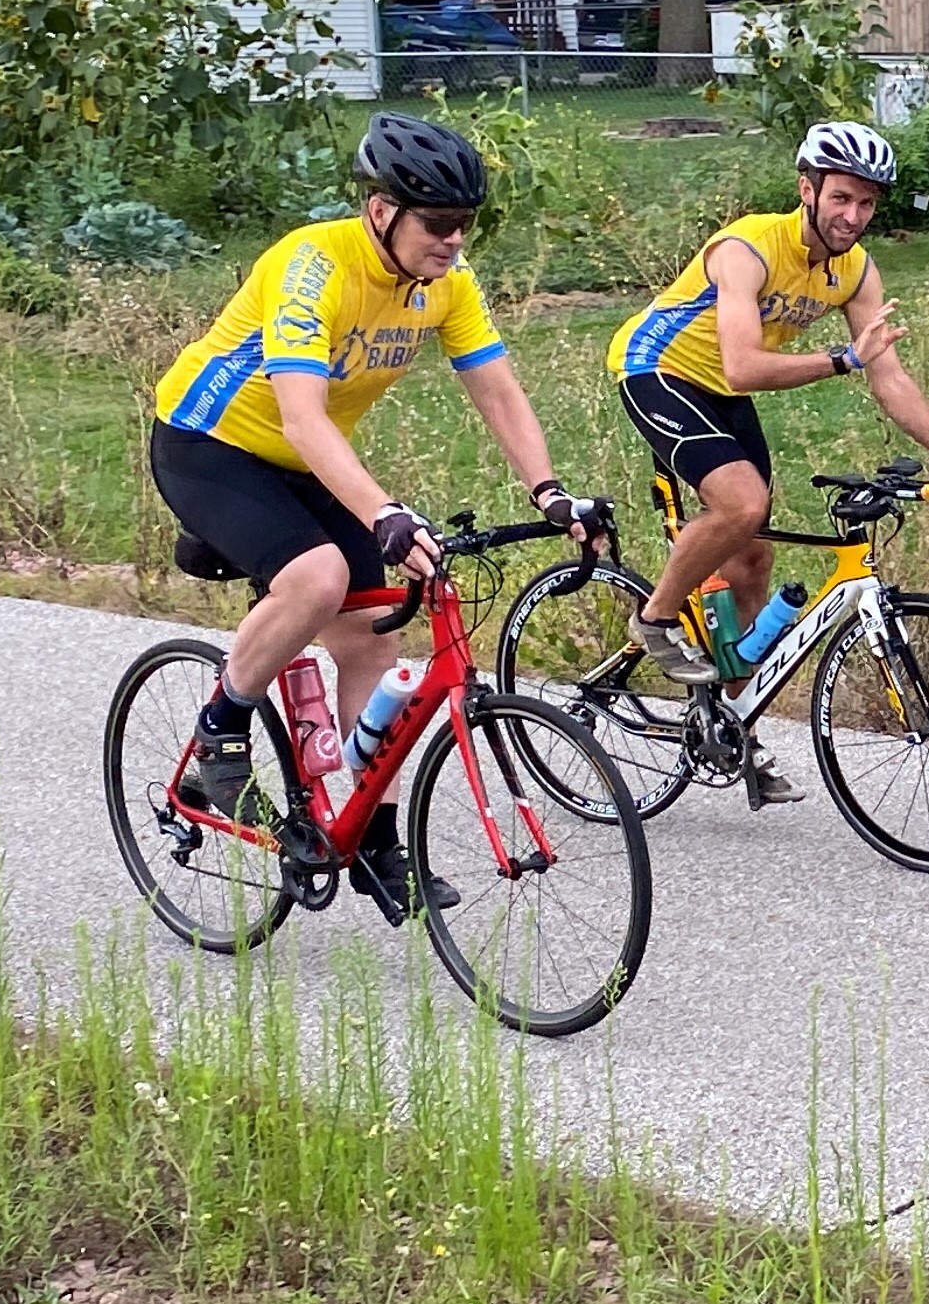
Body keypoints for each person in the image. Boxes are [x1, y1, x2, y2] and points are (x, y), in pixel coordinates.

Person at [150, 111, 600, 922]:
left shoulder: (444, 286)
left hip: (306, 461)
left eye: (465, 225)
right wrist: (385, 511)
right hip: (208, 443)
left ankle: (375, 837)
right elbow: (301, 416)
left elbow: (496, 388)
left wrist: (549, 491)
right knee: (318, 576)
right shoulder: (309, 265)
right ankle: (221, 728)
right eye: (438, 223)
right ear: (381, 210)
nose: (454, 241)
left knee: (376, 633)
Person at [606, 119, 929, 802]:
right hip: (659, 369)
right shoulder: (747, 249)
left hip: (725, 391)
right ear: (807, 189)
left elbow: (888, 376)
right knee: (741, 505)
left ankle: (733, 727)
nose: (853, 216)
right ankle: (652, 620)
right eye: (841, 199)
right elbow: (740, 363)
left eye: (866, 203)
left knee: (751, 559)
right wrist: (839, 360)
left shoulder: (853, 269)